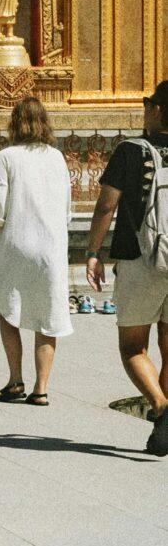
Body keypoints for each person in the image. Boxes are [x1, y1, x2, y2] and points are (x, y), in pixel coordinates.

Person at [84, 80, 168, 457]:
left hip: (140, 258)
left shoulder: (131, 151)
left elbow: (106, 207)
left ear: (156, 111)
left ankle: (164, 410)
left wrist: (93, 252)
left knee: (133, 345)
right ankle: (162, 433)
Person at [0, 96, 72, 404]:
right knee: (48, 315)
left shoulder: (6, 156)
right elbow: (67, 209)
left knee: (8, 310)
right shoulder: (57, 157)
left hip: (17, 244)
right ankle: (41, 389)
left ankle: (16, 380)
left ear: (14, 123)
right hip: (51, 246)